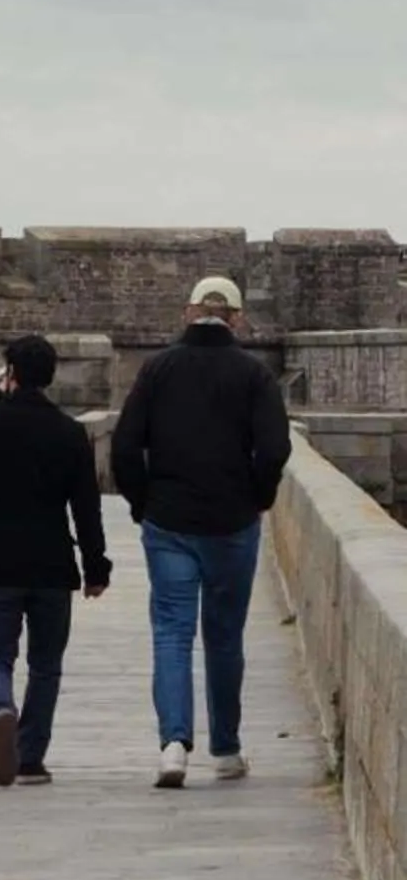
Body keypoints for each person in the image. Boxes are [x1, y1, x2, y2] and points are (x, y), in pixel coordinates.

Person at [111, 274, 291, 789]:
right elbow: (274, 448)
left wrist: (143, 502)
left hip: (169, 520)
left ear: (189, 312)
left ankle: (173, 744)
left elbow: (125, 446)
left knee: (172, 632)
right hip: (232, 522)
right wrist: (258, 497)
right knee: (224, 635)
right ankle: (227, 750)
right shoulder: (254, 374)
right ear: (237, 318)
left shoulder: (157, 369)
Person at [0, 335, 111, 785]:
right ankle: (30, 758)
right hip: (52, 563)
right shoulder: (68, 433)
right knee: (46, 665)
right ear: (49, 376)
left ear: (10, 373)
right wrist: (95, 568)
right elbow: (86, 509)